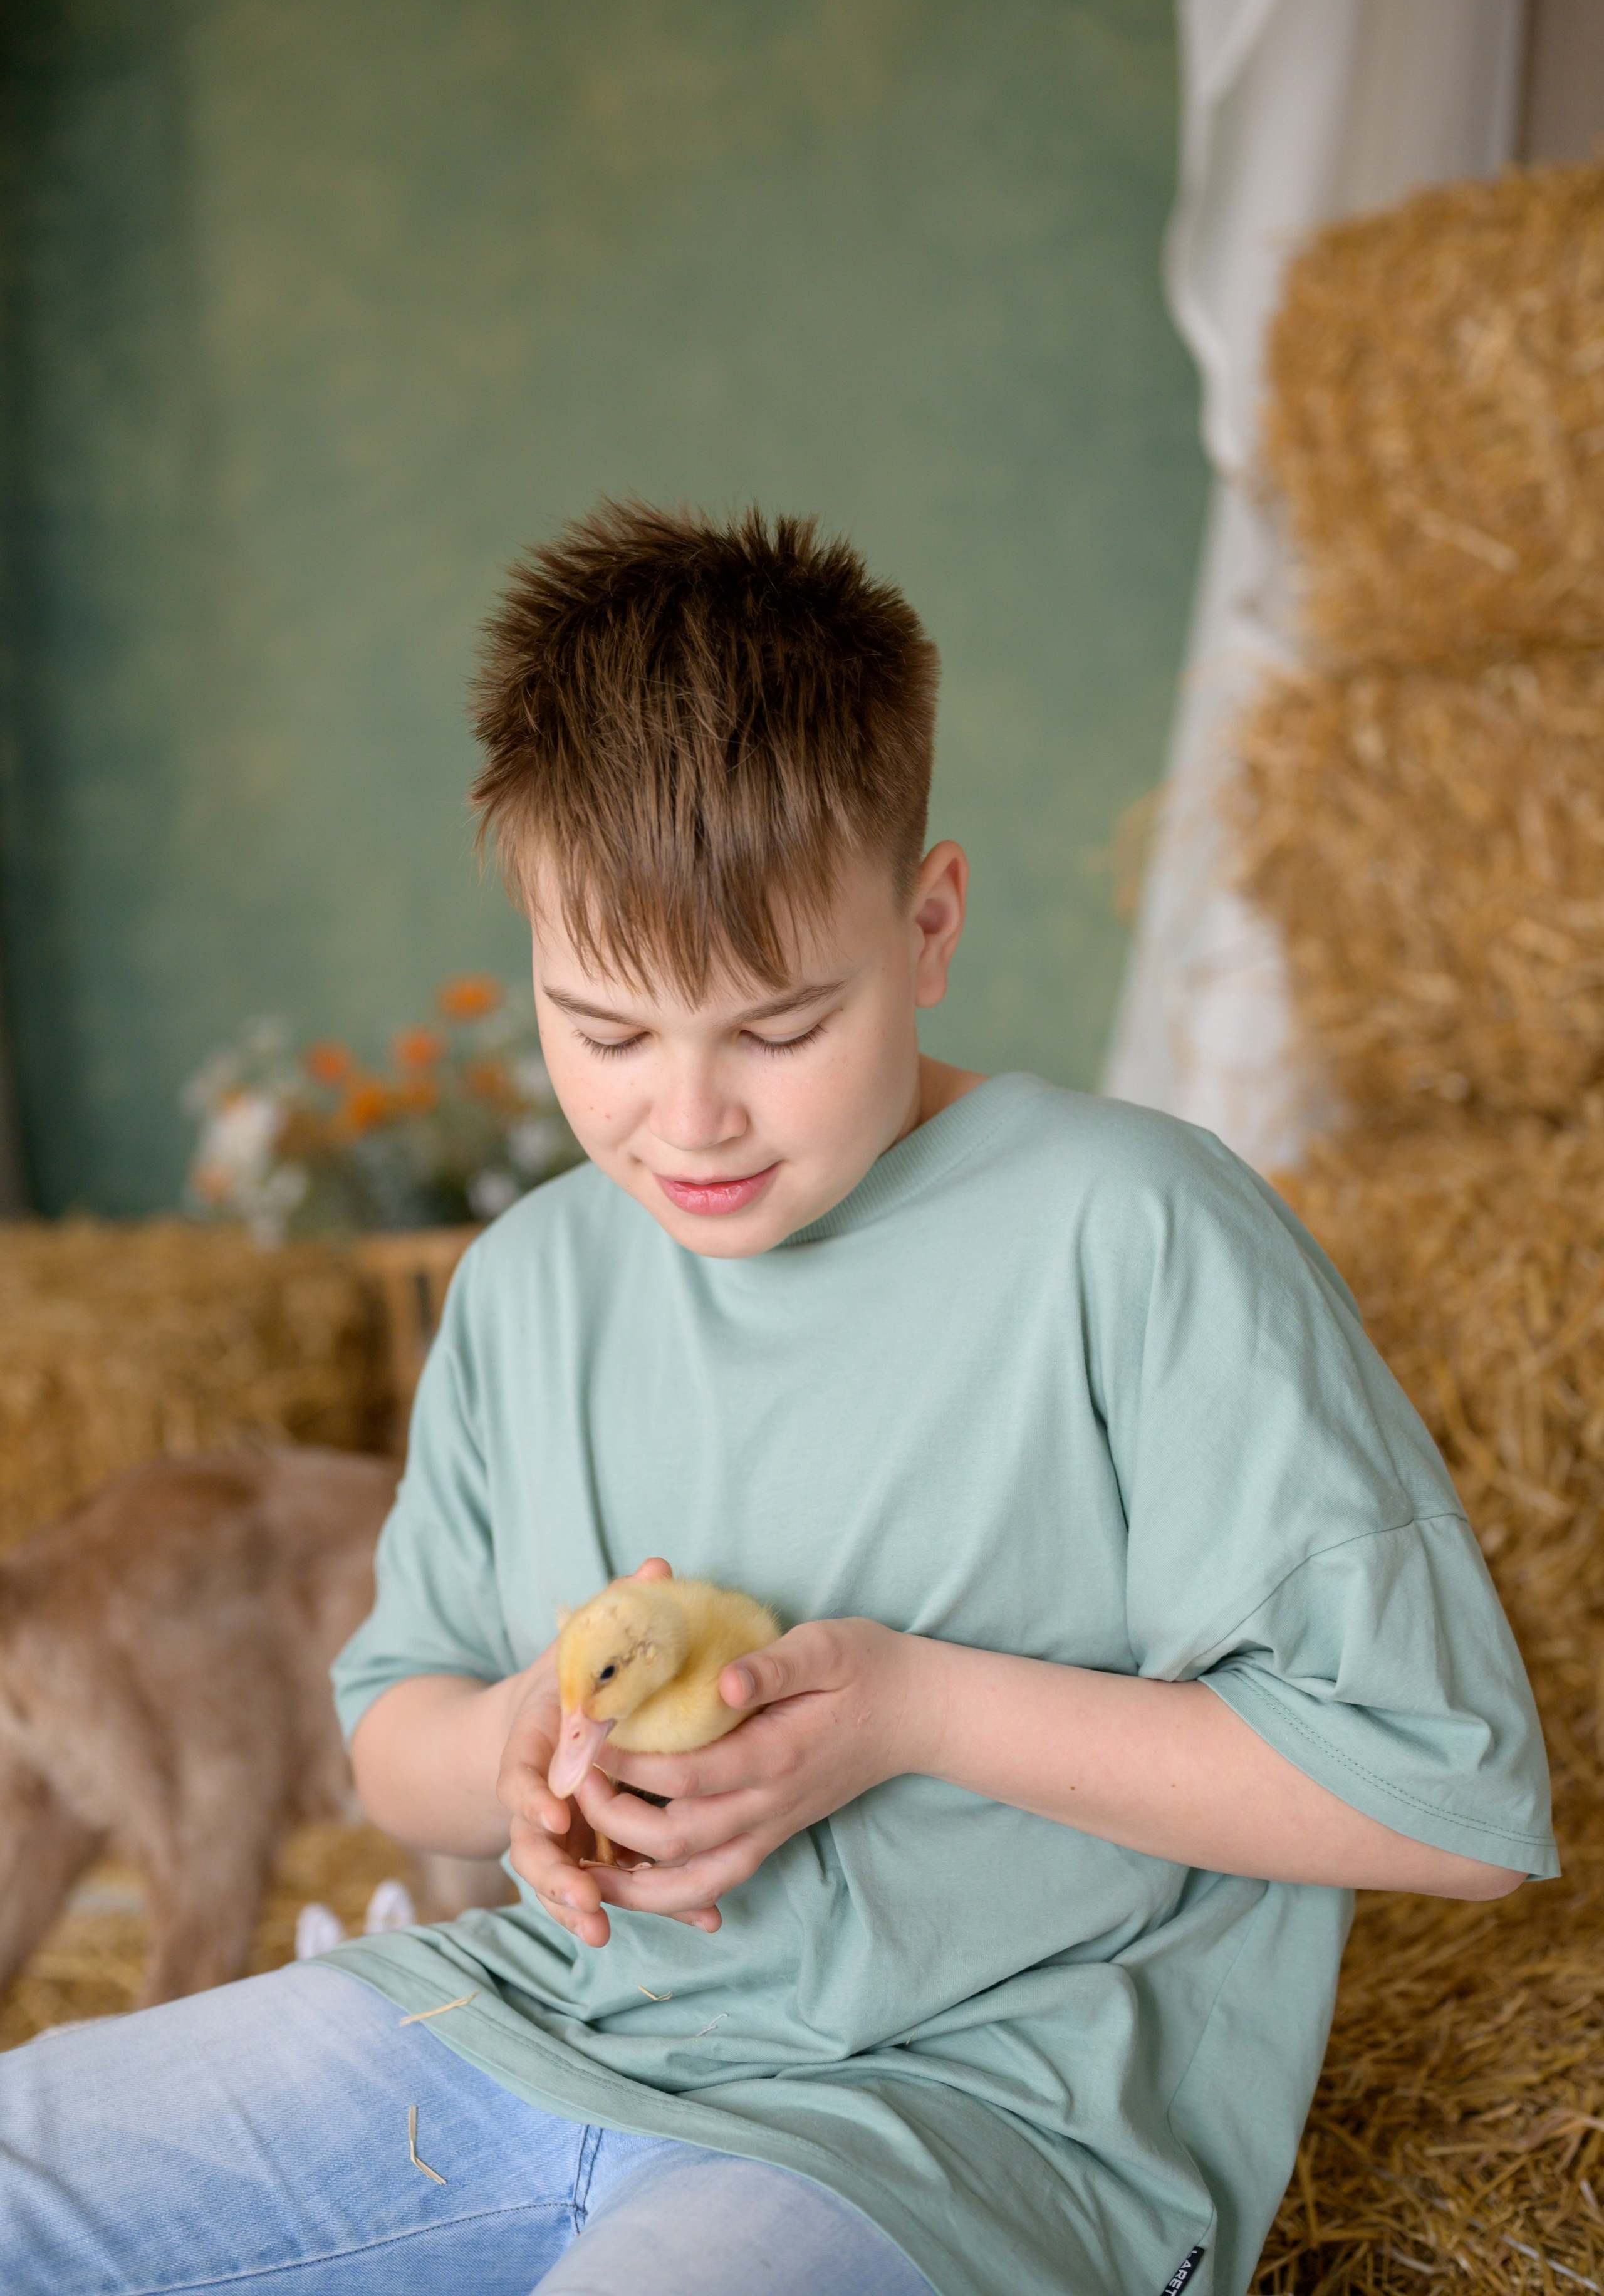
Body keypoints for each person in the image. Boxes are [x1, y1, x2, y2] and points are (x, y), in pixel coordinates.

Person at [0, 504, 1555, 2296]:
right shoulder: (530, 1283)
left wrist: (908, 1709)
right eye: (603, 1030)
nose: (688, 1121)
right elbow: (390, 1742)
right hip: (516, 2023)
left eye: (779, 1027)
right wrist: (508, 1745)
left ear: (932, 923)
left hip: (961, 2128)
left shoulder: (1131, 1226)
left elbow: (1450, 1808)